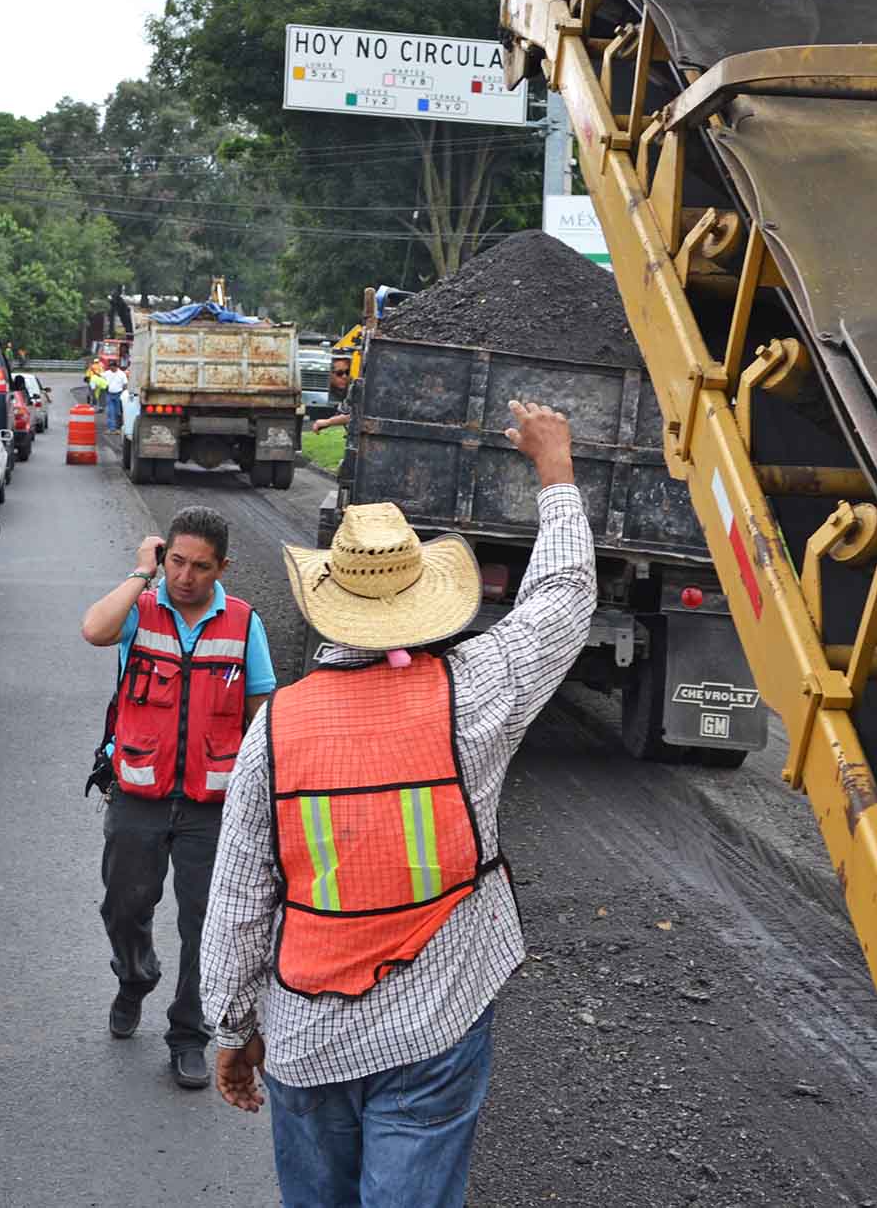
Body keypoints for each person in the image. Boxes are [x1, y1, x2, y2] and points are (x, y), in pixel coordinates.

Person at [201, 400, 594, 1208]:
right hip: (432, 1029)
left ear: (330, 599)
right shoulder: (473, 694)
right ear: (425, 596)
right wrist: (555, 471)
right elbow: (561, 599)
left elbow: (240, 897)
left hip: (308, 1038)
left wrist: (233, 1029)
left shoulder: (277, 728)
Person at [80, 505, 278, 1090]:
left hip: (212, 807)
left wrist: (267, 795)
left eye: (200, 567)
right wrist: (141, 574)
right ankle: (135, 977)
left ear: (222, 569)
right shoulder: (139, 609)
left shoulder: (244, 623)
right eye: (176, 562)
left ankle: (188, 1034)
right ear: (162, 556)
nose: (185, 577)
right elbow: (94, 630)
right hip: (137, 795)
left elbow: (262, 714)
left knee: (206, 926)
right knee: (123, 908)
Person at [103, 361, 129, 430]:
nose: (111, 368)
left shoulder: (121, 374)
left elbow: (125, 384)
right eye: (110, 367)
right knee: (110, 411)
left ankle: (118, 427)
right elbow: (101, 377)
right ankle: (111, 428)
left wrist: (123, 393)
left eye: (112, 367)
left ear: (115, 366)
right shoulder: (107, 373)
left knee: (118, 412)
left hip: (118, 394)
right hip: (109, 394)